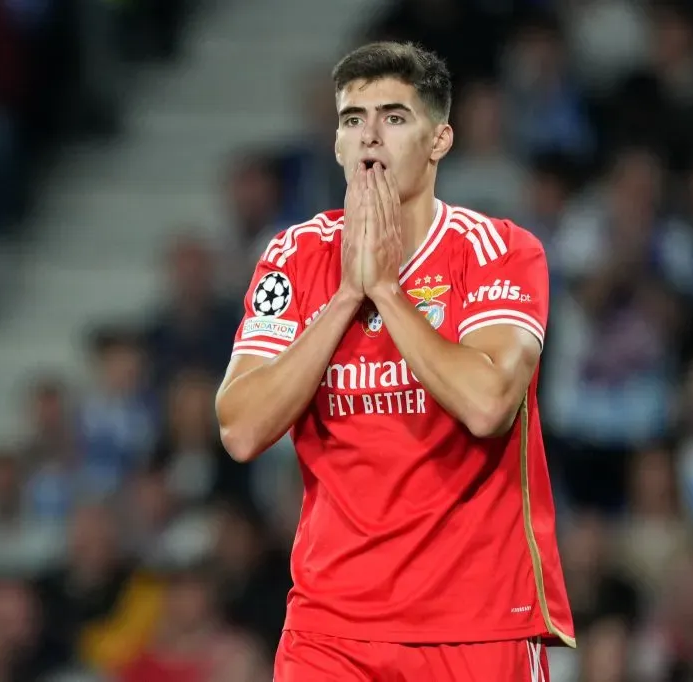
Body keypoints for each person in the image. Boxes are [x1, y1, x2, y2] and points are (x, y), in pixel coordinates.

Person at [215, 41, 575, 681]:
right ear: (336, 144)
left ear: (439, 140)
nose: (370, 136)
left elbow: (489, 405)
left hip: (475, 625)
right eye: (353, 119)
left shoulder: (499, 251)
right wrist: (346, 296)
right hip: (330, 630)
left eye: (395, 117)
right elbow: (241, 428)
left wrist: (385, 289)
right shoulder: (296, 257)